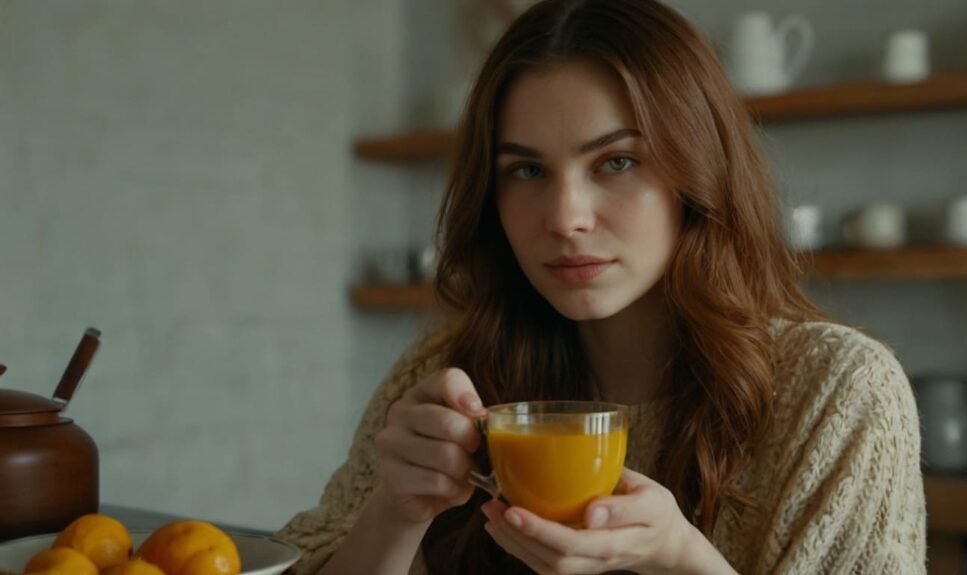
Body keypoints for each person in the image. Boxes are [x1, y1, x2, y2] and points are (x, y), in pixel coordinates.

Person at [276, 0, 926, 573]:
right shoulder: (448, 375)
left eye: (617, 161)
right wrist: (395, 512)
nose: (565, 218)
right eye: (527, 169)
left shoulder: (840, 393)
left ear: (697, 176)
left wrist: (682, 560)